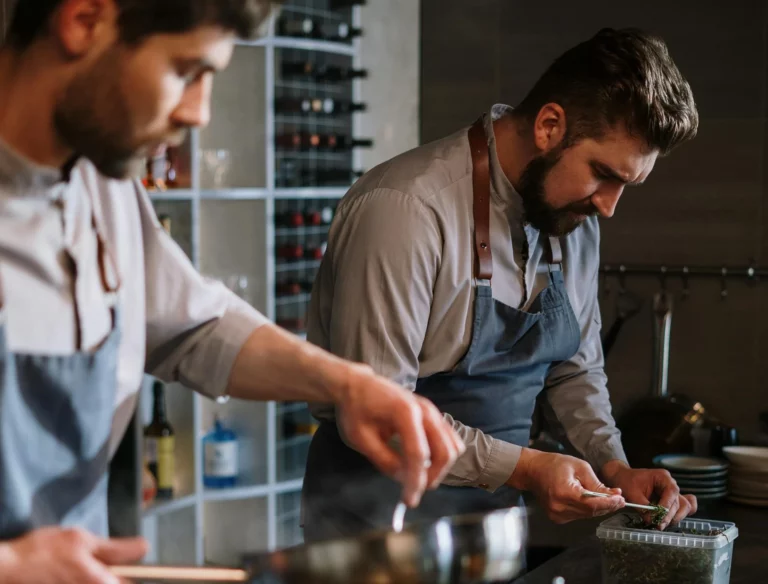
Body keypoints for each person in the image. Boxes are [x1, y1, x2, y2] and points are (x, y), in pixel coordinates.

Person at [0, 1, 464, 582]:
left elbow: (191, 326)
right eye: (187, 72)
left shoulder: (101, 184)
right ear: (84, 20)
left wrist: (349, 384)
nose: (200, 113)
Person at [301, 27, 700, 542]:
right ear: (549, 125)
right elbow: (376, 417)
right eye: (603, 173)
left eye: (626, 184)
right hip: (374, 529)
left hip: (489, 529)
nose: (609, 204)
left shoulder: (575, 220)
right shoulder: (404, 209)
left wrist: (615, 466)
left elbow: (574, 371)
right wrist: (527, 468)